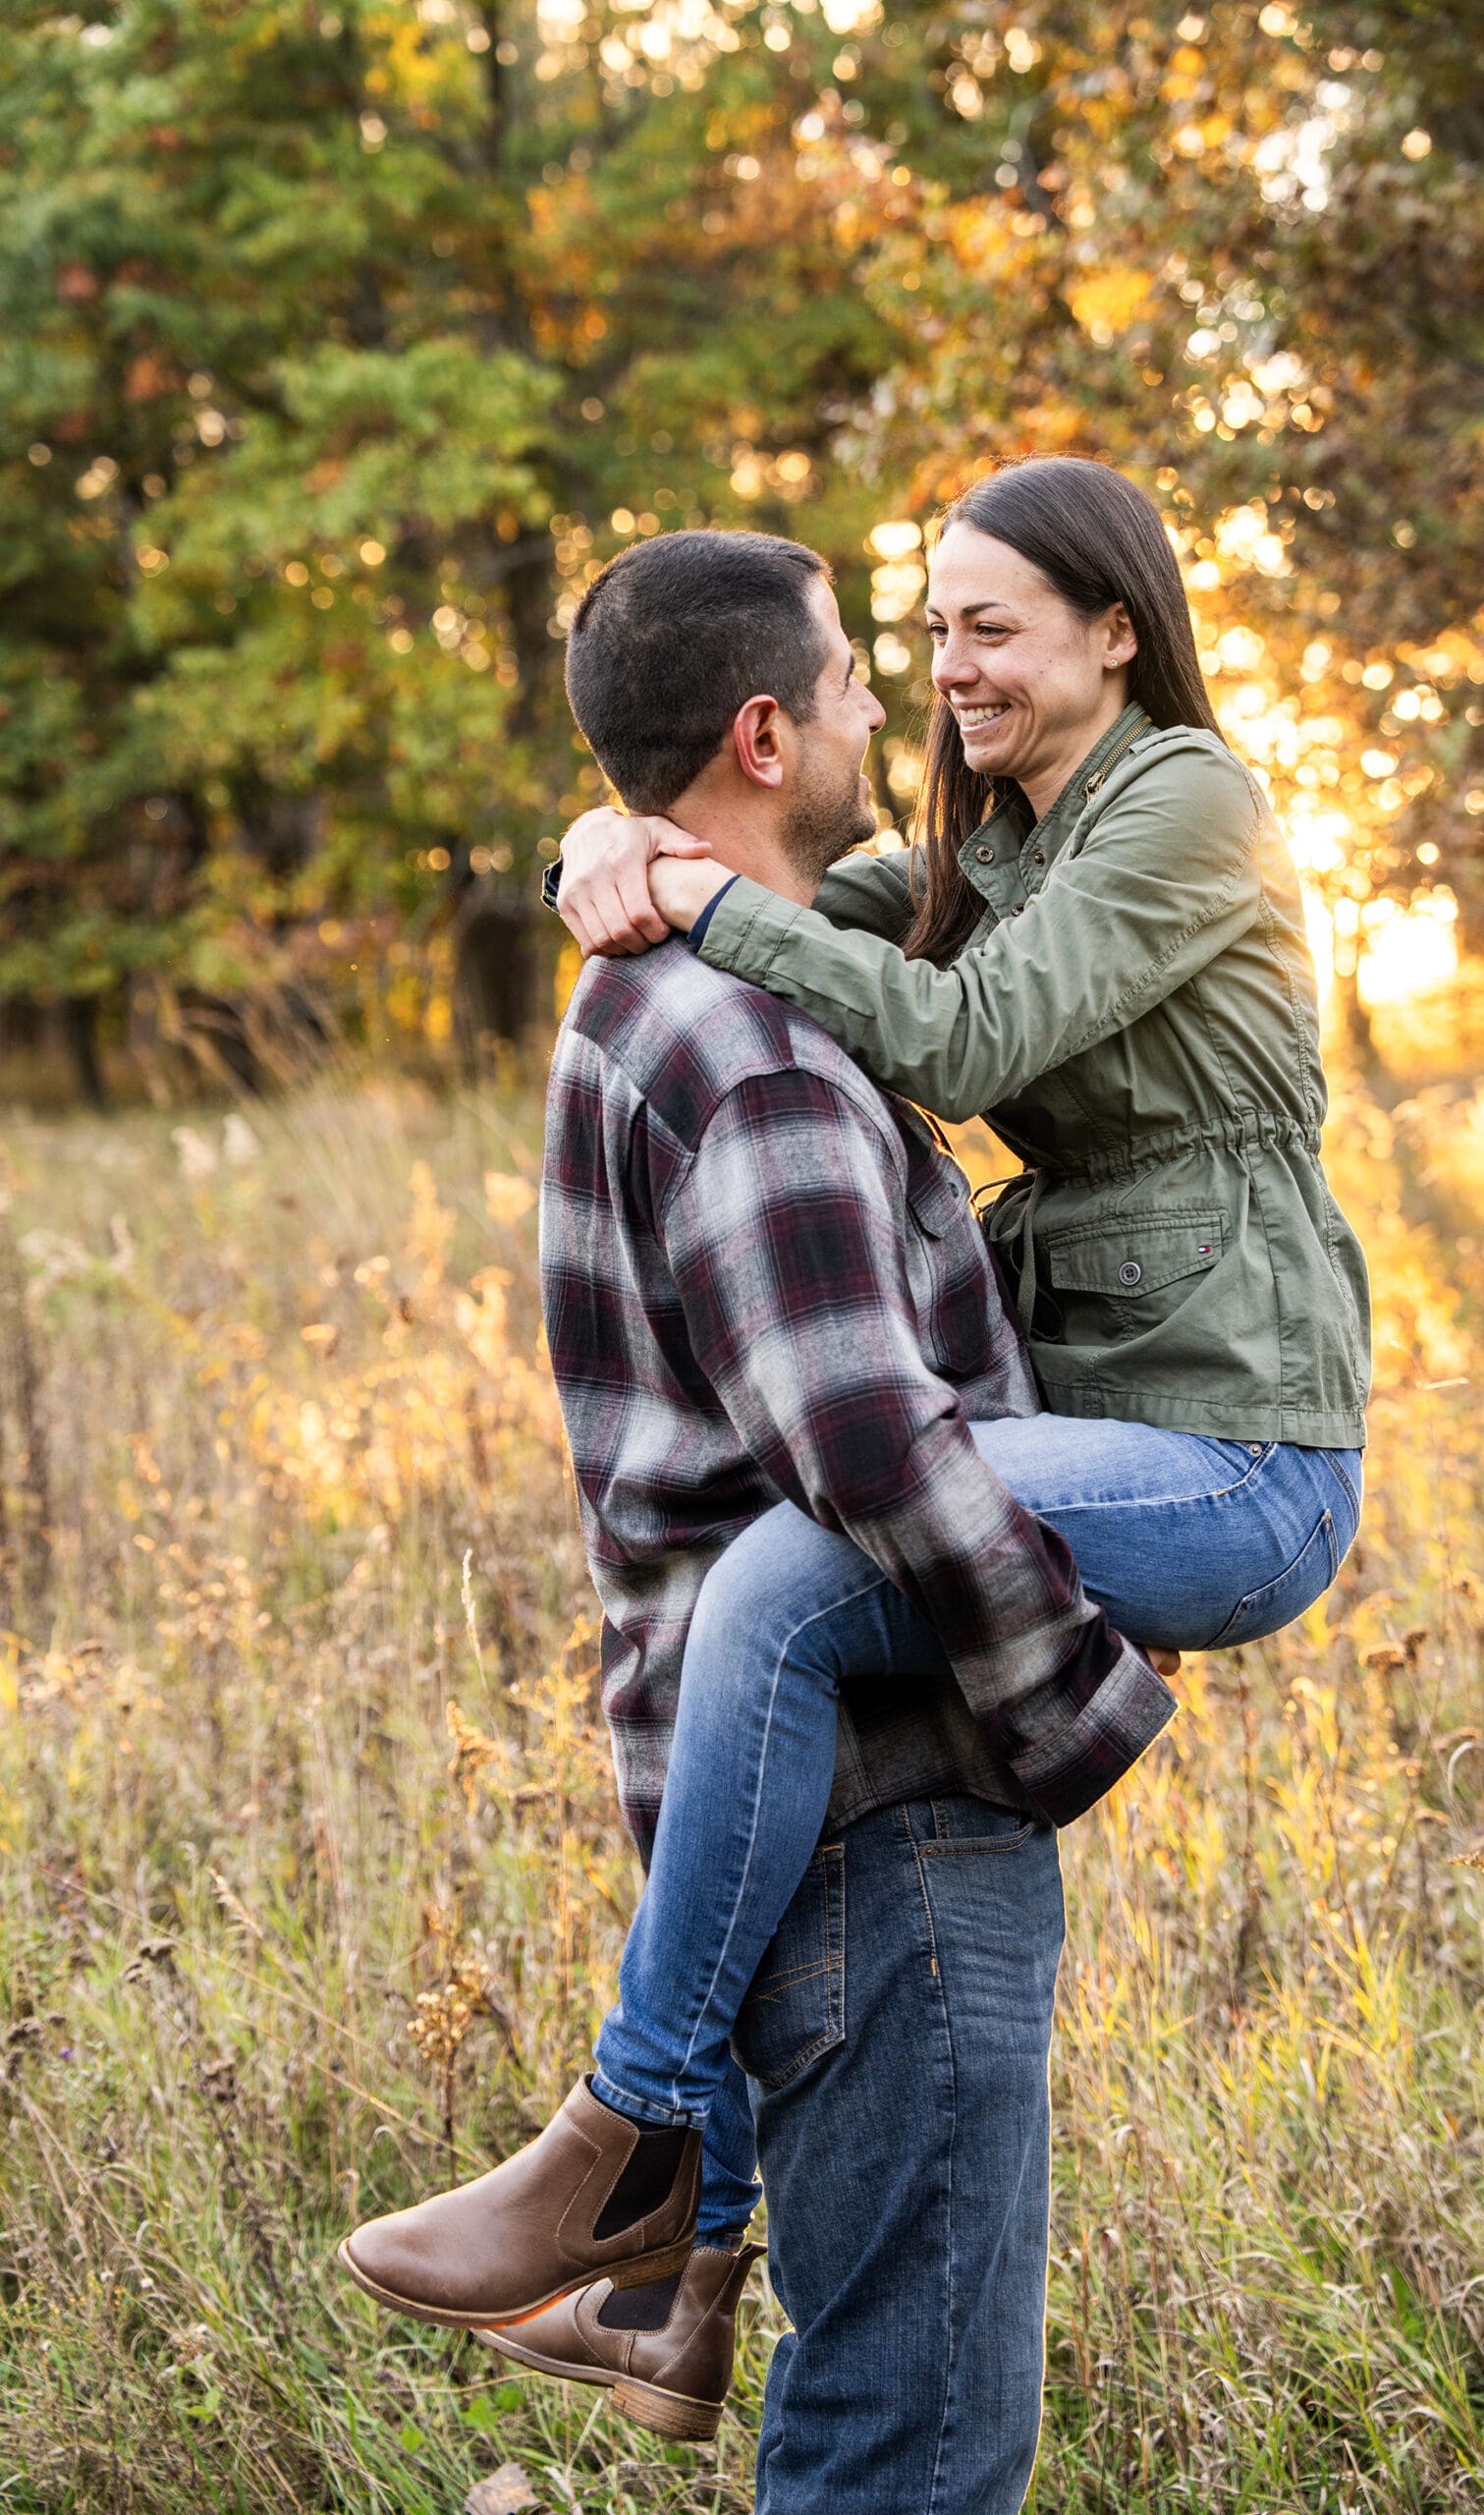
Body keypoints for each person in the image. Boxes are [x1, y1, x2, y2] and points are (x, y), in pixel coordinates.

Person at [341, 525, 1180, 2512]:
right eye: (847, 681)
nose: (886, 705)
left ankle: (652, 2248)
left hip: (794, 1807)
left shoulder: (668, 988)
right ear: (759, 731)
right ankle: (632, 2181)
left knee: (881, 2398)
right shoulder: (752, 1043)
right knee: (908, 2427)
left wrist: (596, 838)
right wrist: (1083, 1692)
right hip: (882, 1822)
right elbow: (866, 1443)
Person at [546, 460, 1370, 2341]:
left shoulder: (1190, 807)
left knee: (770, 1589)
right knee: (776, 1594)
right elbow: (753, 870)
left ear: (1115, 629)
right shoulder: (992, 828)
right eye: (927, 634)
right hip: (1103, 1425)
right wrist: (599, 850)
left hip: (1242, 1454)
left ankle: (637, 2138)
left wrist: (695, 895)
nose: (946, 671)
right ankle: (664, 2268)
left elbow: (962, 1033)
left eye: (988, 628)